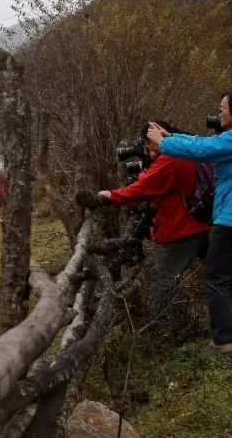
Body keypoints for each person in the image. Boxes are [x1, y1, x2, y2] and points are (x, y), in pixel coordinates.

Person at [147, 89, 232, 357]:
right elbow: (203, 143)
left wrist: (163, 145)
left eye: (223, 108)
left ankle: (222, 342)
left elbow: (205, 150)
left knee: (214, 277)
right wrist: (172, 137)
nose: (219, 112)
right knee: (227, 275)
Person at [78, 122, 210, 325]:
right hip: (194, 224)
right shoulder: (179, 153)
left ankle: (160, 328)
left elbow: (142, 188)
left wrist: (110, 196)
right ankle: (208, 319)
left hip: (181, 228)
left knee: (162, 278)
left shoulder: (171, 159)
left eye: (151, 144)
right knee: (216, 273)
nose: (150, 150)